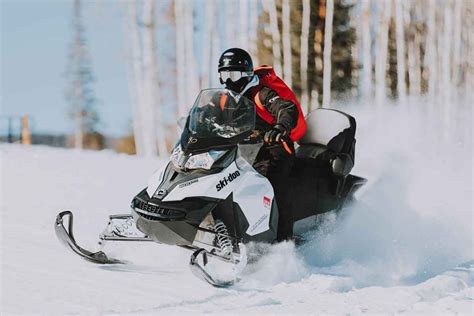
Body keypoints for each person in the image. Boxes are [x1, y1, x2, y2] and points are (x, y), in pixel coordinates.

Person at [217, 47, 307, 241]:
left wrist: (280, 126)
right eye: (224, 75)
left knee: (271, 186)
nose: (229, 81)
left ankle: (282, 241)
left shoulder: (261, 93)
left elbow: (286, 107)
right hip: (245, 153)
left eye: (233, 75)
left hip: (274, 150)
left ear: (246, 75)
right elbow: (212, 115)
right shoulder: (227, 99)